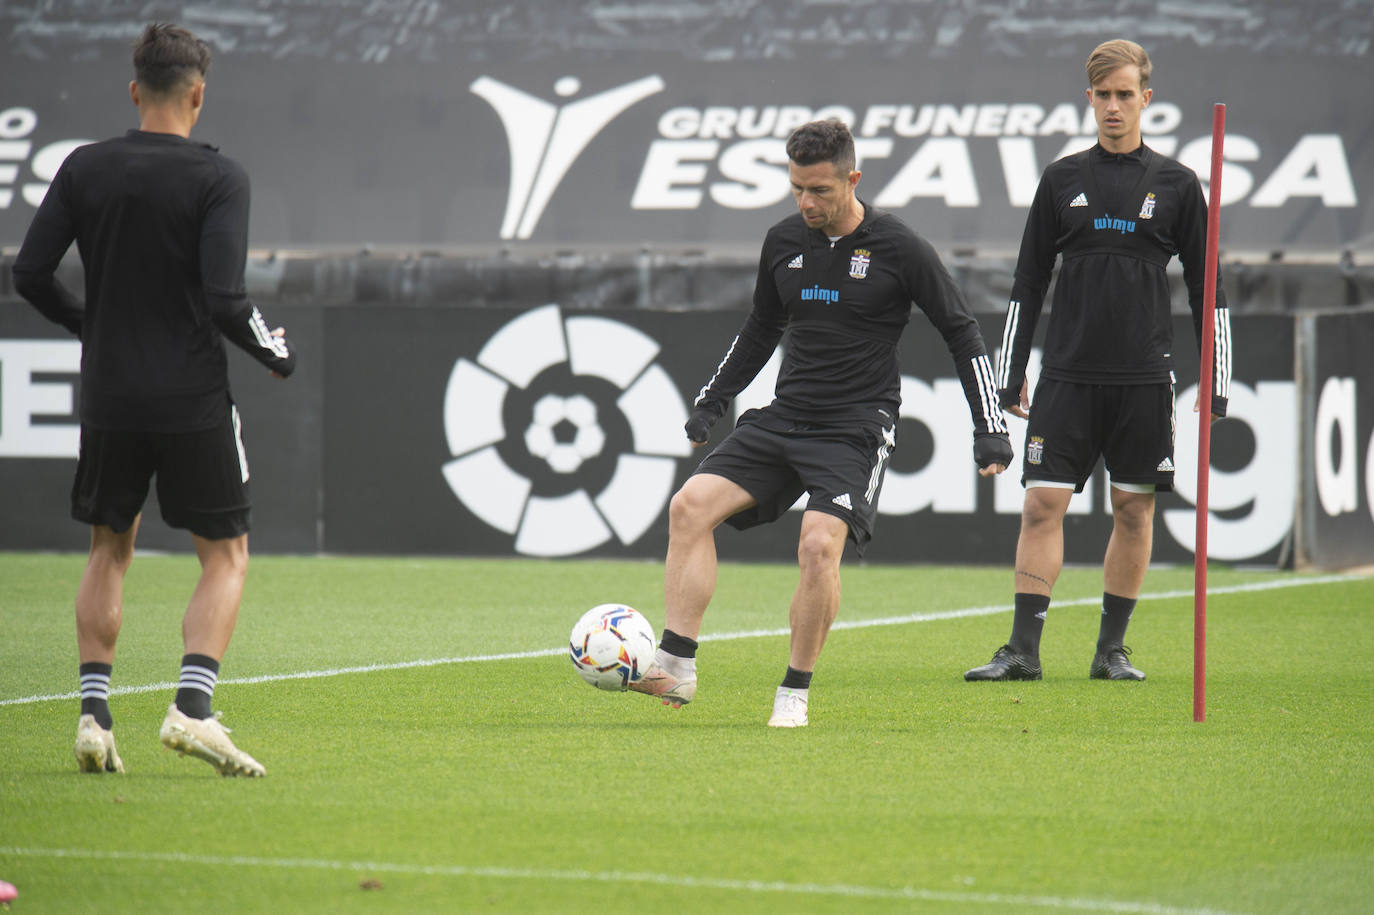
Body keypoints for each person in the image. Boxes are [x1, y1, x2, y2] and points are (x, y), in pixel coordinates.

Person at [628, 118, 1013, 727]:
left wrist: (989, 426)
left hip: (855, 428)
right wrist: (713, 401)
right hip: (785, 416)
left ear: (852, 180)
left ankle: (794, 692)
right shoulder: (783, 241)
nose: (806, 203)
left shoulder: (901, 247)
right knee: (689, 506)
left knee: (816, 545)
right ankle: (675, 665)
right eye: (797, 189)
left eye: (820, 190)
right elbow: (760, 328)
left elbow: (961, 333)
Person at [11, 23, 296, 776]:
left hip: (111, 393)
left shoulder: (84, 167)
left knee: (109, 548)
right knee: (225, 556)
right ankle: (192, 709)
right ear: (198, 95)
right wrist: (276, 353)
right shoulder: (219, 177)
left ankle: (94, 717)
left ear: (135, 90)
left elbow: (30, 273)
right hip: (190, 395)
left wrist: (90, 325)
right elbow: (226, 298)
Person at [964, 39, 1232, 683]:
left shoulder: (1178, 184)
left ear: (1146, 98)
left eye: (1125, 94)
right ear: (1089, 99)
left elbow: (1208, 288)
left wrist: (1217, 380)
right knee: (1040, 505)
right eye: (1103, 95)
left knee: (1133, 511)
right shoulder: (1061, 179)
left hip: (1143, 379)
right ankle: (1022, 651)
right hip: (1066, 376)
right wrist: (1011, 372)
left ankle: (1111, 650)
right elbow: (1028, 282)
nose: (1114, 106)